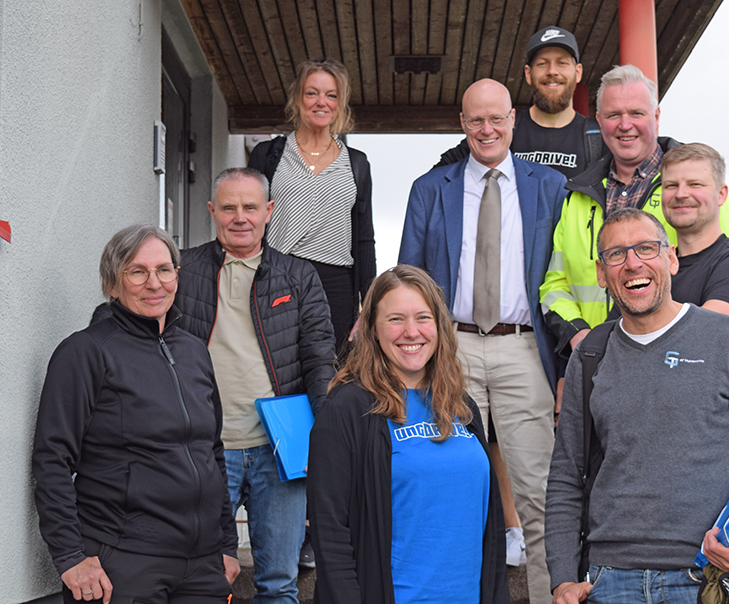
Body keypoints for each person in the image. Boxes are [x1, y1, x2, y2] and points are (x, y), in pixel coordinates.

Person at [545, 208, 729, 604]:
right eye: (616, 254)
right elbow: (566, 474)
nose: (632, 263)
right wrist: (563, 578)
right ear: (601, 273)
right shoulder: (590, 356)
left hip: (708, 577)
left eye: (646, 248)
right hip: (610, 583)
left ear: (671, 259)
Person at [399, 78, 566, 604]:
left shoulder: (550, 186)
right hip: (453, 349)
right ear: (463, 123)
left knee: (539, 494)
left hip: (524, 349)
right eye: (476, 120)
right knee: (448, 487)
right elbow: (409, 277)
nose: (487, 129)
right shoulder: (431, 189)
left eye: (496, 119)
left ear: (513, 120)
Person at [33, 224, 238, 604]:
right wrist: (70, 557)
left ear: (177, 275)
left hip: (202, 566)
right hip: (122, 563)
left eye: (164, 270)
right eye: (137, 271)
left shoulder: (194, 351)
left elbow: (211, 451)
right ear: (113, 283)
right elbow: (52, 458)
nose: (154, 283)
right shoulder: (86, 352)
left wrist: (227, 542)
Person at [174, 167, 336, 604]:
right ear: (212, 211)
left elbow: (319, 360)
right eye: (229, 208)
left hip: (279, 451)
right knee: (200, 579)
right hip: (206, 451)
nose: (240, 217)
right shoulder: (181, 271)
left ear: (269, 211)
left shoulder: (299, 276)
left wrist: (325, 439)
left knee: (279, 584)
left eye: (250, 207)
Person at [308, 265, 510, 604]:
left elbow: (491, 528)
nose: (412, 332)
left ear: (440, 326)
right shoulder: (347, 408)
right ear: (372, 329)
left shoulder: (462, 406)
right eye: (396, 319)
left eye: (423, 318)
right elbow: (330, 533)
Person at [539, 64, 729, 359]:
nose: (625, 125)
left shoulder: (694, 190)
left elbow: (722, 273)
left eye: (636, 113)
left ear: (656, 117)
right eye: (613, 115)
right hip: (598, 361)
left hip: (674, 358)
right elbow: (554, 286)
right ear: (599, 120)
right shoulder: (576, 197)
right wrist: (580, 336)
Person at [248, 58, 375, 355]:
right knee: (278, 368)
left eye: (331, 95)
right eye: (312, 93)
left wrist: (370, 305)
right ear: (297, 98)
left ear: (340, 104)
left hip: (338, 286)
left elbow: (364, 239)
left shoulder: (357, 163)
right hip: (278, 277)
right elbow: (249, 225)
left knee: (331, 372)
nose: (321, 102)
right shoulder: (268, 156)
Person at [433, 26, 603, 179]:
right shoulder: (502, 129)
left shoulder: (597, 138)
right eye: (542, 63)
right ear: (528, 74)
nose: (552, 71)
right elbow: (435, 181)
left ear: (578, 72)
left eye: (562, 63)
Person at [659, 143, 729, 342]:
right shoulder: (651, 267)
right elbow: (612, 340)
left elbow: (699, 336)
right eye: (671, 185)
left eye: (695, 184)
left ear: (721, 195)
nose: (681, 194)